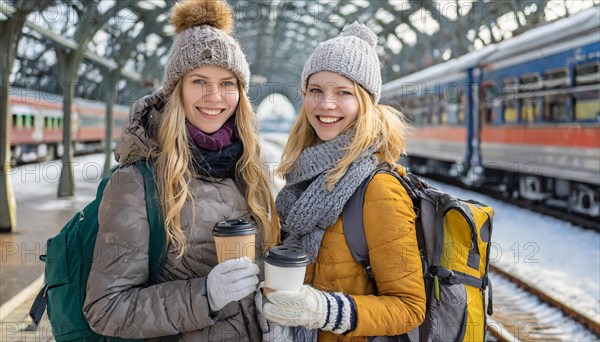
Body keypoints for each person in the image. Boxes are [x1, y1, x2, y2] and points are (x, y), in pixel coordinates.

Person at [83, 0, 278, 340]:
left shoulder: (254, 172)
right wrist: (207, 296)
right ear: (177, 91)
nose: (214, 96)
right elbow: (106, 308)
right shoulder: (136, 183)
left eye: (228, 83)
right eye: (199, 81)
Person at [261, 22, 426, 341]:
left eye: (343, 92)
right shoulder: (304, 176)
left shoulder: (379, 188)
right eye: (316, 90)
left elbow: (409, 307)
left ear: (365, 102)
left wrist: (323, 311)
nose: (326, 104)